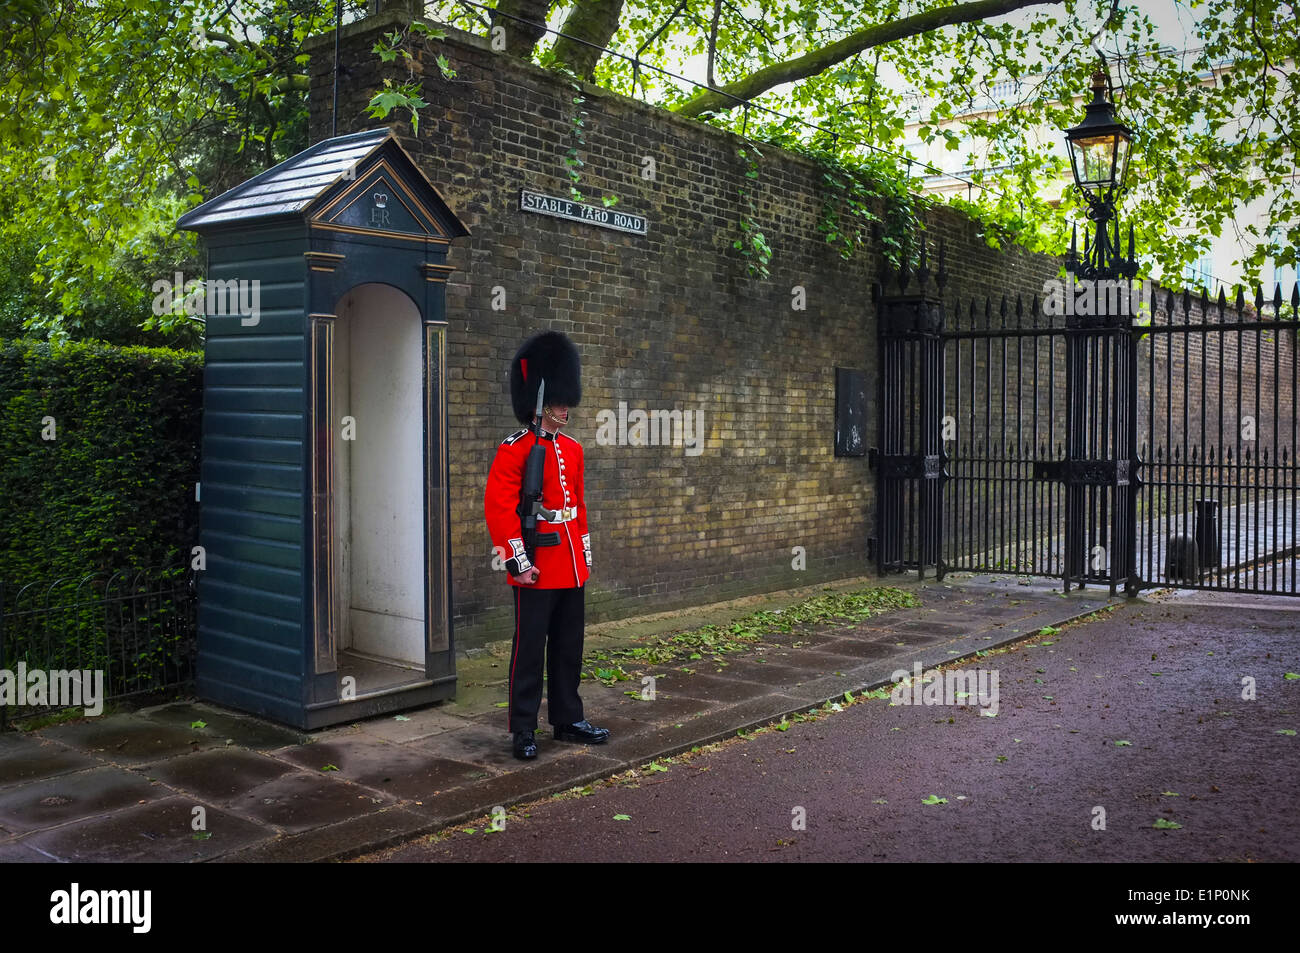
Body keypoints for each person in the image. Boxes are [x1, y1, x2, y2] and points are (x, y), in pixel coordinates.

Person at [484, 330, 610, 760]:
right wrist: (517, 562)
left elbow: (579, 506)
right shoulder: (514, 450)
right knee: (529, 648)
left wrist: (585, 557)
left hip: (570, 560)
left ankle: (567, 718)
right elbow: (500, 512)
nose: (565, 406)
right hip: (536, 561)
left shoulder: (572, 450)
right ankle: (523, 728)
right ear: (540, 398)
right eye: (558, 400)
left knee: (568, 645)